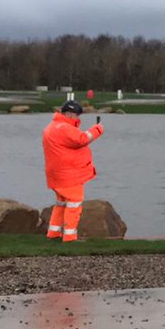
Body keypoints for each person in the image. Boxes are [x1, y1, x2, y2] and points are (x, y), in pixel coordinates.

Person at [42, 99, 105, 241]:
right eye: (77, 115)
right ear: (70, 114)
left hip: (57, 175)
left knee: (61, 204)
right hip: (69, 175)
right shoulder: (64, 128)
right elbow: (82, 139)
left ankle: (53, 233)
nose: (78, 118)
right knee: (74, 204)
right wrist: (98, 129)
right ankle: (70, 237)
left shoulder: (51, 127)